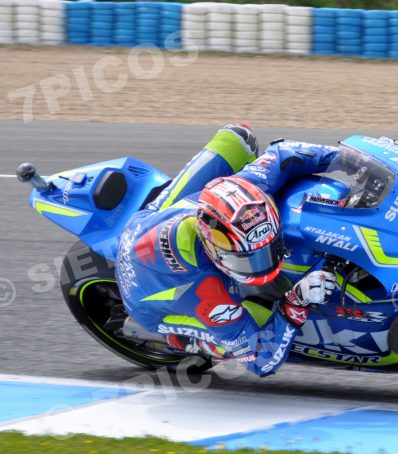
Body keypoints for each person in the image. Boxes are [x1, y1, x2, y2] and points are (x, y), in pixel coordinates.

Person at [115, 123, 338, 377]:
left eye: (268, 249)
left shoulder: (245, 188)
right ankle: (182, 341)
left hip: (151, 220)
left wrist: (344, 160)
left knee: (238, 137)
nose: (263, 266)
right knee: (262, 311)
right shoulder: (208, 294)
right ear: (214, 250)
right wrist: (295, 303)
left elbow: (283, 154)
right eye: (248, 259)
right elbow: (262, 362)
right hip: (145, 301)